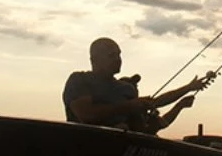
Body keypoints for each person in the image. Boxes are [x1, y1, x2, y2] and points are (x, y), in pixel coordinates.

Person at [63, 37, 214, 133]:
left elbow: (154, 103)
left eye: (119, 54)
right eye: (111, 55)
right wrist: (129, 106)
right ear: (94, 59)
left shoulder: (126, 89)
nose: (118, 59)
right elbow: (86, 115)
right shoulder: (79, 80)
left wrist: (188, 88)